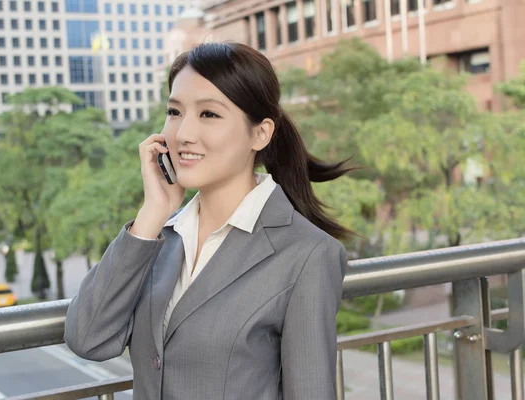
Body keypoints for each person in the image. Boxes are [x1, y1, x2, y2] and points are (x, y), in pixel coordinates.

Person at [65, 42, 353, 400]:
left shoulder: (307, 254)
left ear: (261, 133)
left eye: (209, 115)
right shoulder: (159, 238)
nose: (184, 133)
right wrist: (152, 213)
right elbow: (88, 338)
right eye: (174, 112)